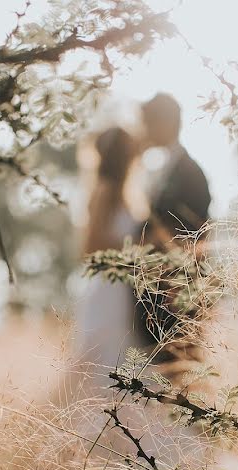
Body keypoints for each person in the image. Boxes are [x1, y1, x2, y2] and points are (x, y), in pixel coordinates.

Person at [135, 93, 212, 367]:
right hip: (156, 296)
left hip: (176, 296)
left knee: (179, 375)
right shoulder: (162, 168)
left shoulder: (191, 173)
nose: (143, 130)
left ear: (165, 123)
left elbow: (197, 237)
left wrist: (177, 287)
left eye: (147, 122)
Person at [72, 126, 144, 395]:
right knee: (106, 362)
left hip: (122, 291)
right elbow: (89, 248)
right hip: (107, 291)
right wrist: (134, 248)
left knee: (124, 360)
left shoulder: (126, 195)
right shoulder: (103, 191)